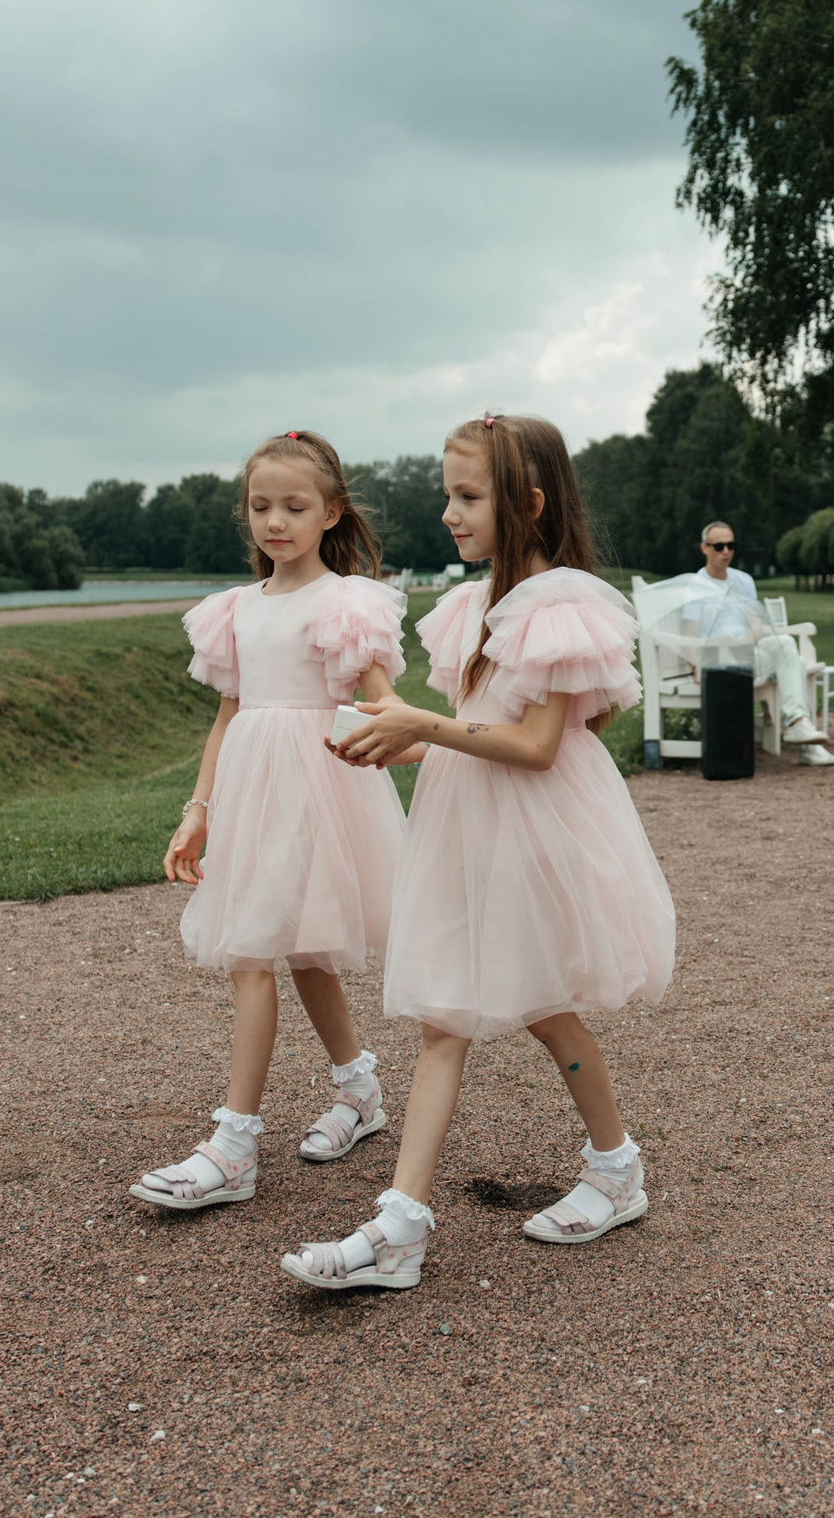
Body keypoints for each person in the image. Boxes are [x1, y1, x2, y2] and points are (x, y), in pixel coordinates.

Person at [289, 412, 677, 1290]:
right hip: (474, 820)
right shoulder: (477, 605)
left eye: (467, 496)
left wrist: (423, 722)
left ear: (529, 503)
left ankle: (609, 1171)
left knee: (540, 1006)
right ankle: (409, 1224)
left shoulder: (560, 605)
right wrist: (396, 739)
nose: (448, 514)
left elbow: (536, 744)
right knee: (454, 1018)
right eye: (446, 496)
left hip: (537, 824)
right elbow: (475, 731)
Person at [135, 430, 410, 1211]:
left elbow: (384, 701)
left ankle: (234, 1145)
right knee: (292, 950)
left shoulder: (345, 603)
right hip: (253, 792)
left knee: (262, 948)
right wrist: (199, 811)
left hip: (319, 787)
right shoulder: (234, 610)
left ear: (331, 512)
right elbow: (228, 718)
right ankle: (359, 1092)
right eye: (261, 506)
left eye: (294, 506)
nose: (275, 521)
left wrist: (428, 736)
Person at [671, 520, 834, 765]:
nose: (725, 551)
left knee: (785, 645)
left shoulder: (743, 581)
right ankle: (804, 741)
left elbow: (755, 623)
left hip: (748, 653)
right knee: (796, 662)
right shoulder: (696, 587)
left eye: (730, 545)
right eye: (718, 546)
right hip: (717, 661)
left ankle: (798, 725)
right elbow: (691, 633)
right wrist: (695, 667)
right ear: (704, 548)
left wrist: (747, 642)